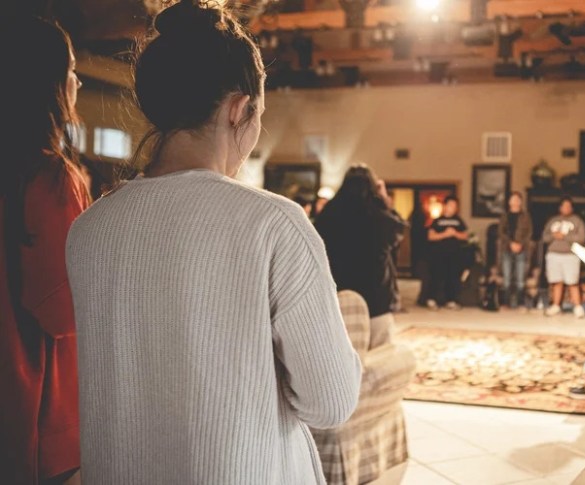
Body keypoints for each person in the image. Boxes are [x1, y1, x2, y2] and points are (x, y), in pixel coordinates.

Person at [65, 2, 361, 482]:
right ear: (240, 109)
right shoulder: (274, 224)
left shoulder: (89, 228)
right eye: (260, 114)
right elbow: (330, 402)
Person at [0, 16, 86, 484]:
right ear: (47, 84)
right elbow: (64, 312)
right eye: (70, 69)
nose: (78, 81)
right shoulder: (50, 179)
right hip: (36, 415)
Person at [316, 165, 407, 346]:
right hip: (375, 295)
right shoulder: (379, 216)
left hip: (339, 294)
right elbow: (399, 230)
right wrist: (384, 199)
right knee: (380, 352)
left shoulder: (329, 214)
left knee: (342, 350)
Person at [541, 197, 585, 318]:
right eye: (564, 206)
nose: (566, 208)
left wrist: (565, 236)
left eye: (568, 206)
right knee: (557, 282)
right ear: (560, 207)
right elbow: (545, 237)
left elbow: (582, 238)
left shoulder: (577, 221)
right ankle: (556, 305)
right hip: (554, 254)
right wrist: (554, 236)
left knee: (572, 282)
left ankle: (578, 306)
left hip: (570, 255)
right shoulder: (553, 221)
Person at [427, 196, 469, 310]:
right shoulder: (437, 221)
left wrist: (455, 233)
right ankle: (432, 299)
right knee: (437, 276)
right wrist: (445, 234)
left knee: (453, 277)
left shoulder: (459, 221)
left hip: (454, 254)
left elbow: (465, 236)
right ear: (445, 206)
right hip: (439, 254)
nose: (452, 208)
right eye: (450, 205)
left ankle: (451, 300)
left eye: (454, 206)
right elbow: (430, 236)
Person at [497, 191, 532, 309]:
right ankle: (505, 303)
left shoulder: (525, 216)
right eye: (513, 199)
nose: (515, 202)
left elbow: (529, 233)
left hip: (522, 249)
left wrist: (520, 244)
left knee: (520, 278)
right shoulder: (504, 216)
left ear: (521, 202)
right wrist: (510, 243)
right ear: (509, 202)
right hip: (506, 249)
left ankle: (521, 303)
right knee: (506, 278)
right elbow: (501, 232)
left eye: (518, 199)